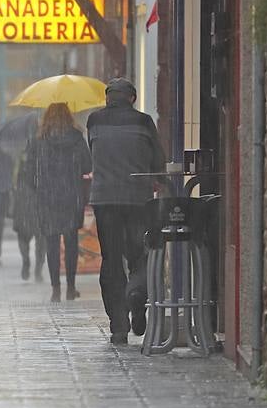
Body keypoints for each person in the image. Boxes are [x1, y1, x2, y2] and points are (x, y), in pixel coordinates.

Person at [86, 78, 163, 344]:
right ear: (132, 98)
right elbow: (158, 161)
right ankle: (137, 295)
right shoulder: (143, 122)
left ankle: (118, 325)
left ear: (108, 98)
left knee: (110, 260)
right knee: (138, 255)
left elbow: (93, 153)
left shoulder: (94, 121)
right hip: (137, 199)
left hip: (105, 200)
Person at [26, 102, 92, 303]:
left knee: (52, 243)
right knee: (71, 243)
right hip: (72, 197)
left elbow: (29, 174)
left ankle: (56, 288)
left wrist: (40, 188)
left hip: (47, 199)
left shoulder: (38, 141)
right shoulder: (76, 138)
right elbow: (88, 165)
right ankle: (71, 287)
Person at [10, 138, 45, 283]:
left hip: (23, 203)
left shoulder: (21, 161)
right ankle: (38, 269)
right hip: (40, 204)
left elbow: (14, 182)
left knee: (23, 236)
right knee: (41, 239)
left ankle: (26, 260)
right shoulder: (44, 159)